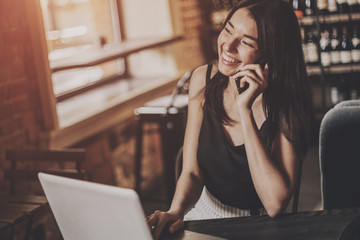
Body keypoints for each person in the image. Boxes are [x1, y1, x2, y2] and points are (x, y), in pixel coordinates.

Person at [147, 0, 313, 239]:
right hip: (203, 213)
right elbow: (192, 171)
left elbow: (275, 204)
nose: (228, 46)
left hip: (256, 226)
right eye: (228, 30)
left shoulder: (285, 105)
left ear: (270, 51)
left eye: (246, 42)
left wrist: (243, 109)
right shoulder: (202, 79)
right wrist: (176, 211)